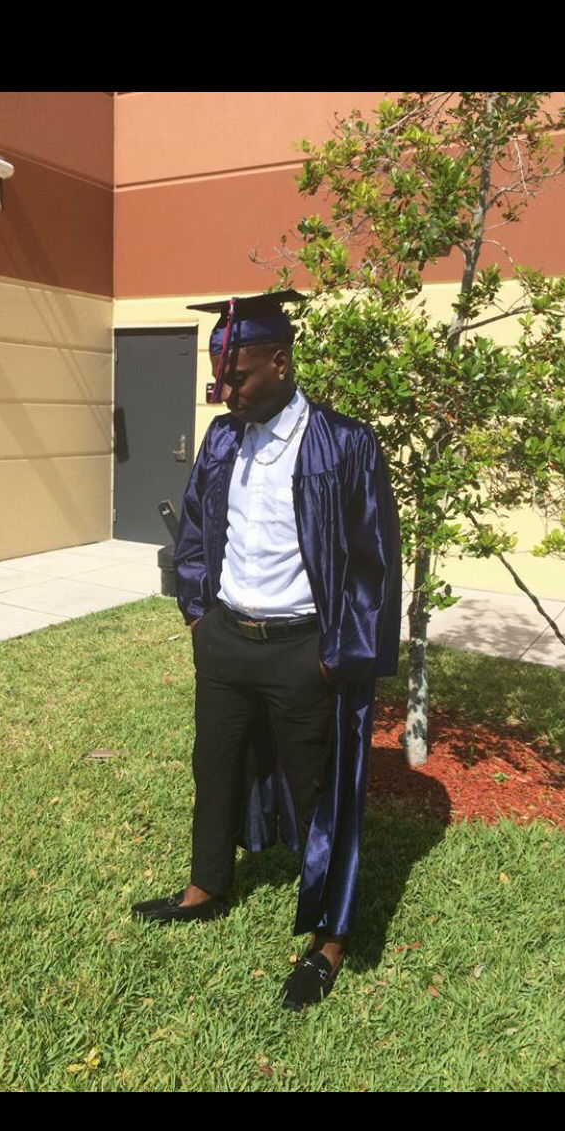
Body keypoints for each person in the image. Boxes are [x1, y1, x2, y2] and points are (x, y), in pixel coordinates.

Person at [132, 291, 401, 1011]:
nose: (226, 392)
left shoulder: (342, 445)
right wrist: (198, 614)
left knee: (318, 793)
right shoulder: (224, 439)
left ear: (280, 363)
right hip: (226, 640)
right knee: (215, 766)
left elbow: (373, 561)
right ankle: (206, 887)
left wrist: (338, 655)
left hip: (302, 649)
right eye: (219, 379)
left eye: (237, 377)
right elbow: (196, 530)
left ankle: (328, 938)